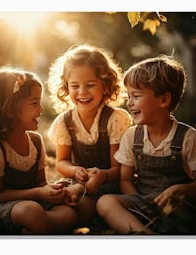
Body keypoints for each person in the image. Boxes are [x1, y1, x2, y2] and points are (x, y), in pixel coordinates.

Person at [96, 55, 196, 235]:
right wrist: (141, 202)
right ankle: (144, 235)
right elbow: (125, 180)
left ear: (163, 100)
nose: (129, 102)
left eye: (136, 96)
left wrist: (182, 189)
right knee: (105, 202)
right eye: (128, 96)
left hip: (178, 207)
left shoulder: (189, 138)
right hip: (144, 205)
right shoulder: (131, 136)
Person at [0, 66, 85, 235]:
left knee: (70, 211)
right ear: (10, 109)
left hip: (34, 201)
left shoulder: (35, 141)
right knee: (31, 211)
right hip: (2, 208)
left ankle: (35, 229)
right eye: (35, 103)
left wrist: (53, 191)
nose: (41, 109)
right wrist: (38, 193)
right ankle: (41, 227)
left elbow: (41, 183)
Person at [47, 44, 132, 202]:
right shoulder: (64, 122)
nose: (82, 92)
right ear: (66, 87)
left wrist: (102, 175)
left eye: (90, 85)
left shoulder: (114, 119)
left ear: (105, 86)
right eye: (74, 86)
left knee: (84, 203)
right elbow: (61, 162)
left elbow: (118, 168)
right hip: (76, 180)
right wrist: (75, 170)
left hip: (108, 185)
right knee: (57, 195)